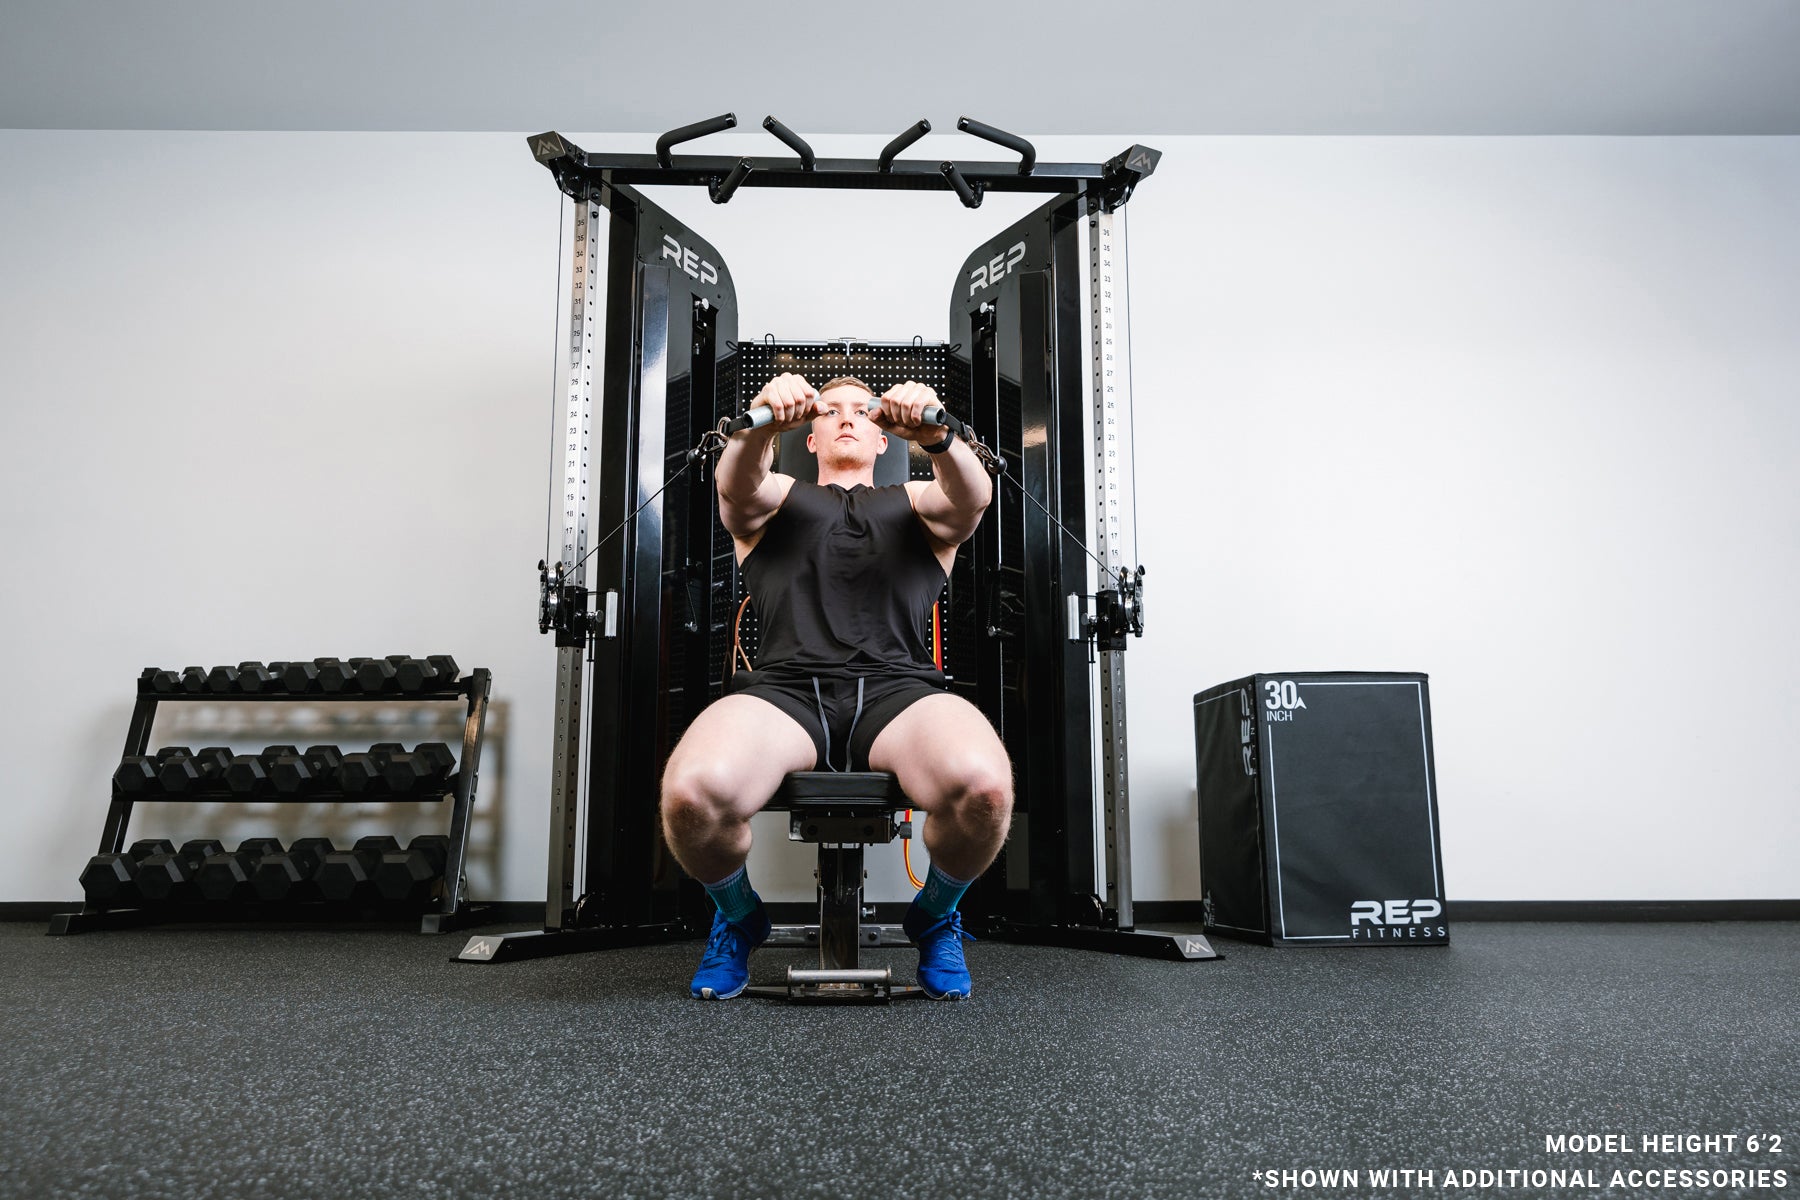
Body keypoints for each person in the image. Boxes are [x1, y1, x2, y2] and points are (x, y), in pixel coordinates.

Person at [659, 372, 1014, 1000]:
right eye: (830, 410)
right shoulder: (777, 498)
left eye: (861, 410)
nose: (847, 417)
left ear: (882, 438)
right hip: (785, 692)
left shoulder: (915, 500)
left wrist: (939, 437)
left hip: (898, 692)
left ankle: (934, 916)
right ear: (812, 435)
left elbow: (972, 498)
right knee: (691, 798)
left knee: (985, 791)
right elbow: (734, 486)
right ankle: (740, 918)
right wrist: (764, 419)